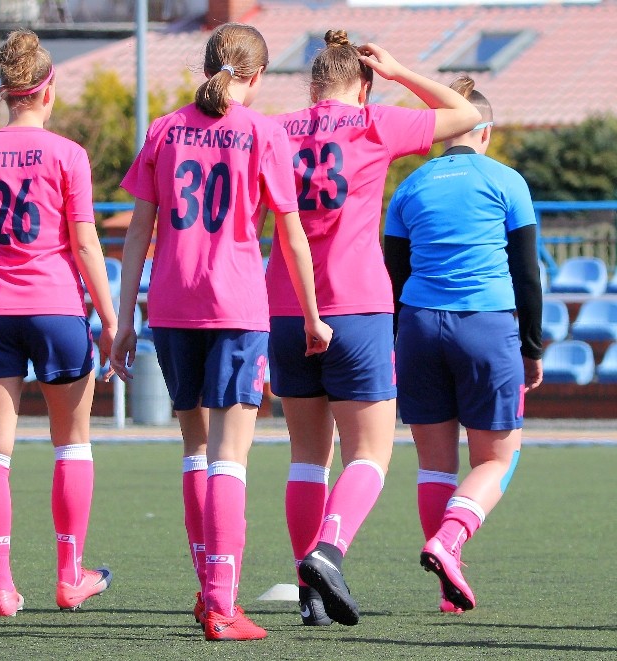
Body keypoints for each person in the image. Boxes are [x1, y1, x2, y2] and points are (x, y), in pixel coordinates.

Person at [112, 22, 331, 642]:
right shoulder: (263, 131)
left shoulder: (164, 129)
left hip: (171, 306)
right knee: (229, 458)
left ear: (207, 67)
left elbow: (137, 233)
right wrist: (312, 315)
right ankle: (220, 604)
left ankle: (206, 587)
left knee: (195, 450)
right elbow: (291, 234)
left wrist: (124, 319)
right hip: (235, 307)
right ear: (255, 77)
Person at [265, 30, 482, 627]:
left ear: (312, 85)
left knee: (307, 458)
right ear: (363, 85)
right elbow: (464, 114)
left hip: (285, 306)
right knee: (369, 455)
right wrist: (399, 71)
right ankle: (328, 553)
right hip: (356, 307)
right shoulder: (375, 121)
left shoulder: (275, 130)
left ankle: (309, 593)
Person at [0, 29, 117, 618]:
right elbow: (85, 243)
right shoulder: (69, 155)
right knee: (71, 442)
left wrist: (1, 277)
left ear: (6, 92)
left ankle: (1, 587)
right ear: (48, 90)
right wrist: (109, 317)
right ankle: (70, 577)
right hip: (56, 308)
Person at [384, 76, 543, 613]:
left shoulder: (410, 186)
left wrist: (398, 342)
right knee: (498, 459)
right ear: (486, 132)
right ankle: (449, 541)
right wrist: (532, 347)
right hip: (485, 326)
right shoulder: (506, 180)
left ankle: (446, 591)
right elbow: (526, 274)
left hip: (418, 328)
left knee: (434, 465)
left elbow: (393, 274)